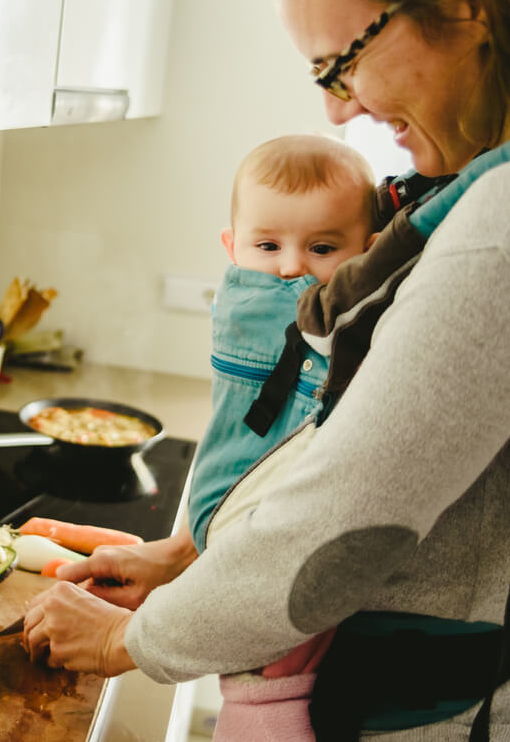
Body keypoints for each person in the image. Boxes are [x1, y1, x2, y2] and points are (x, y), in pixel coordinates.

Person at [19, 0, 510, 739]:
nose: (337, 108)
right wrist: (192, 557)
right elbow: (412, 464)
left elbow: (344, 520)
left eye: (342, 62)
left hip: (426, 719)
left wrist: (133, 638)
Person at [194, 133, 378, 739]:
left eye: (322, 248)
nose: (291, 267)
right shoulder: (248, 298)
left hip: (283, 529)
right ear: (232, 247)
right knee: (266, 660)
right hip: (236, 509)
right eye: (267, 245)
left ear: (368, 252)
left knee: (272, 667)